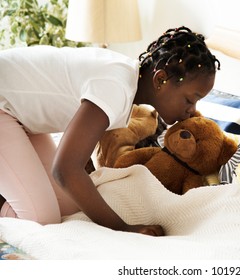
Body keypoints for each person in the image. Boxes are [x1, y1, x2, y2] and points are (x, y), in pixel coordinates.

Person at [0, 26, 220, 236]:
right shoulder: (115, 86)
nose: (192, 111)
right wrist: (121, 227)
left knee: (67, 206)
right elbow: (65, 169)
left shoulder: (126, 80)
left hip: (21, 115)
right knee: (41, 218)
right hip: (3, 105)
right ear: (160, 79)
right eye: (190, 100)